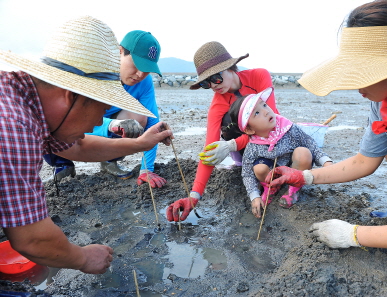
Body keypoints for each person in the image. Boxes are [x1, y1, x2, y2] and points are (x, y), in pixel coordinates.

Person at [265, 0, 387, 257]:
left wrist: (353, 234)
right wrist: (306, 176)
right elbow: (364, 161)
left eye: (364, 72)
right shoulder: (385, 96)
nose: (356, 84)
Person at [0, 16, 173, 274]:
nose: (97, 122)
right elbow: (32, 238)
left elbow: (80, 148)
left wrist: (140, 144)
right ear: (71, 95)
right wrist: (81, 257)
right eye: (101, 108)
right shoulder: (13, 126)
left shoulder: (29, 102)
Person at [166, 41, 279, 222]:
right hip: (247, 150)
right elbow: (208, 152)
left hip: (272, 141)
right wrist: (194, 196)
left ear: (230, 68)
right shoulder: (217, 104)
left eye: (216, 78)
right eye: (205, 83)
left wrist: (230, 145)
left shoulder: (259, 76)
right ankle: (242, 162)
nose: (213, 85)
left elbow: (272, 125)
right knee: (228, 120)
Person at [43, 30, 167, 188]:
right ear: (120, 51)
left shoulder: (144, 82)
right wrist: (110, 126)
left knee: (141, 118)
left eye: (147, 69)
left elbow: (153, 125)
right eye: (137, 65)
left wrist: (146, 169)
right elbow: (73, 119)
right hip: (74, 123)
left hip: (107, 125)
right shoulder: (95, 72)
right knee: (53, 120)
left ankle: (109, 159)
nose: (140, 74)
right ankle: (62, 163)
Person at [225, 87, 332, 218]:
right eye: (256, 113)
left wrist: (325, 161)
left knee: (304, 152)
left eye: (264, 105)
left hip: (293, 169)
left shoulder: (289, 128)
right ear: (249, 130)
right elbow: (247, 173)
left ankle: (293, 189)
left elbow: (310, 143)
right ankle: (271, 188)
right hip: (272, 172)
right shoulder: (253, 146)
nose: (265, 111)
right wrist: (254, 196)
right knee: (258, 168)